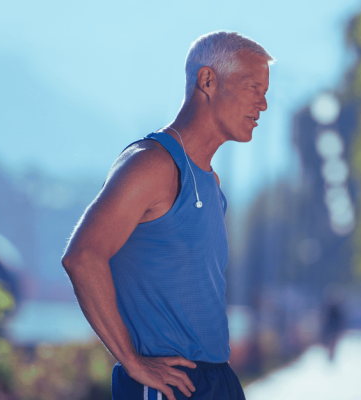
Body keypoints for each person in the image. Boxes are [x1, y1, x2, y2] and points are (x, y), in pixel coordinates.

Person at [61, 31, 274, 400]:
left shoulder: (210, 182)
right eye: (254, 87)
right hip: (167, 385)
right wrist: (131, 361)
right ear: (208, 80)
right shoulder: (152, 165)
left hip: (216, 380)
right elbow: (82, 257)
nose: (264, 104)